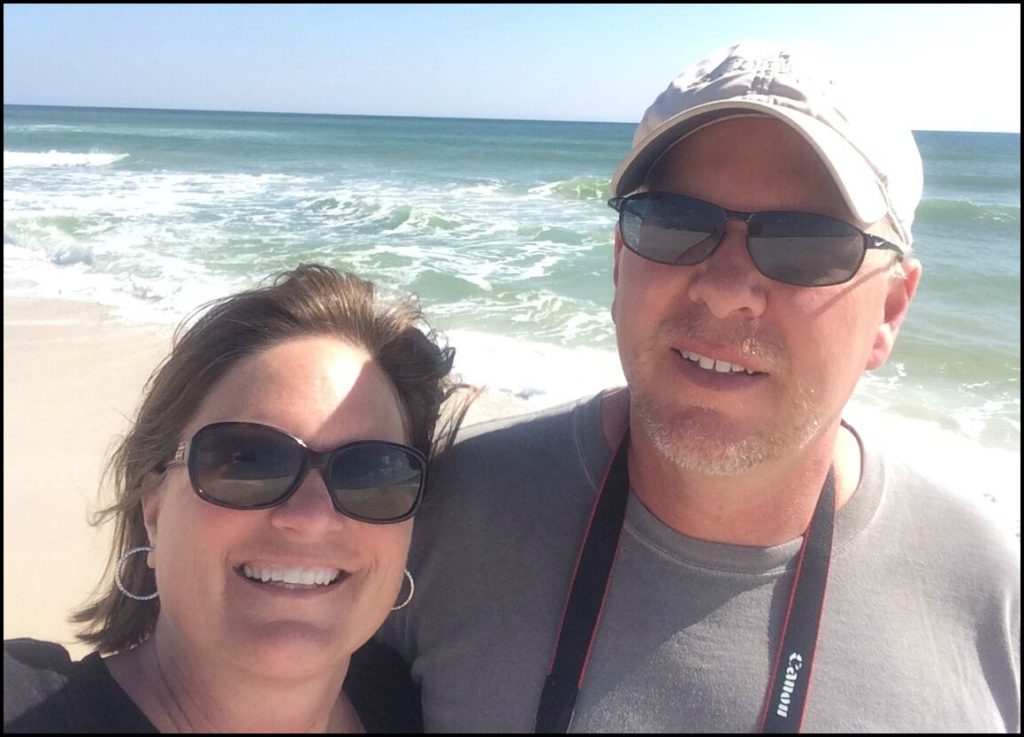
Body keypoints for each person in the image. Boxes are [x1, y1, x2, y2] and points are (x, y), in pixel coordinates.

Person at [360, 42, 1021, 731]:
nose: (728, 289)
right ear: (620, 262)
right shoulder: (439, 517)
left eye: (807, 243)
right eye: (675, 223)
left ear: (889, 310)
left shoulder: (988, 603)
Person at [3, 264, 472, 732]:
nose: (311, 517)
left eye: (372, 472)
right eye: (249, 460)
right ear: (153, 506)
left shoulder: (427, 705)